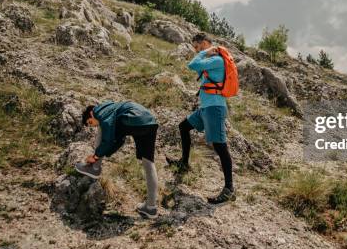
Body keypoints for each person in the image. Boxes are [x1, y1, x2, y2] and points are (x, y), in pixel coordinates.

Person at [166, 33, 236, 204]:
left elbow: (192, 64)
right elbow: (198, 68)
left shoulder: (217, 60)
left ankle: (229, 189)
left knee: (220, 146)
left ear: (204, 43)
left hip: (214, 108)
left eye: (197, 47)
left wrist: (206, 52)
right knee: (184, 126)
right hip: (205, 108)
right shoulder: (211, 61)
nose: (196, 51)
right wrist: (205, 53)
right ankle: (184, 162)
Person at [75, 101, 159, 219]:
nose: (93, 125)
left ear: (91, 113)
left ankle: (94, 168)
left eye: (90, 122)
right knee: (149, 163)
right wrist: (105, 153)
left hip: (135, 118)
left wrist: (95, 157)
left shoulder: (99, 111)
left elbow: (108, 139)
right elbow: (119, 140)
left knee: (102, 128)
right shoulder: (113, 110)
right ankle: (151, 208)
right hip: (150, 122)